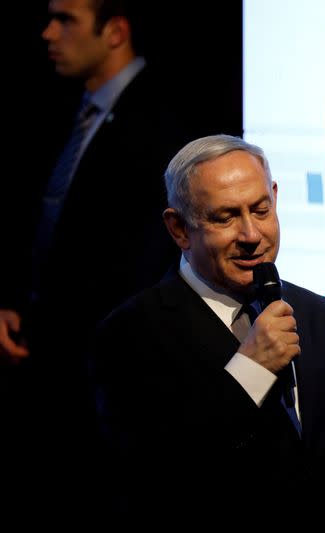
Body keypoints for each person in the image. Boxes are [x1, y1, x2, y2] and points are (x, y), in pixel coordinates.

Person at [90, 134, 325, 528]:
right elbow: (155, 476)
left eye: (260, 210)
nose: (251, 235)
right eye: (225, 217)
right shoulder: (131, 333)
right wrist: (251, 371)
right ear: (179, 229)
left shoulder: (319, 315)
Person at [0, 0, 190, 520]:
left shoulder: (162, 119)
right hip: (47, 362)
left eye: (66, 20)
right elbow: (47, 225)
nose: (48, 32)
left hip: (104, 375)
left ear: (115, 32)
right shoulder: (69, 107)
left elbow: (139, 258)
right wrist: (18, 306)